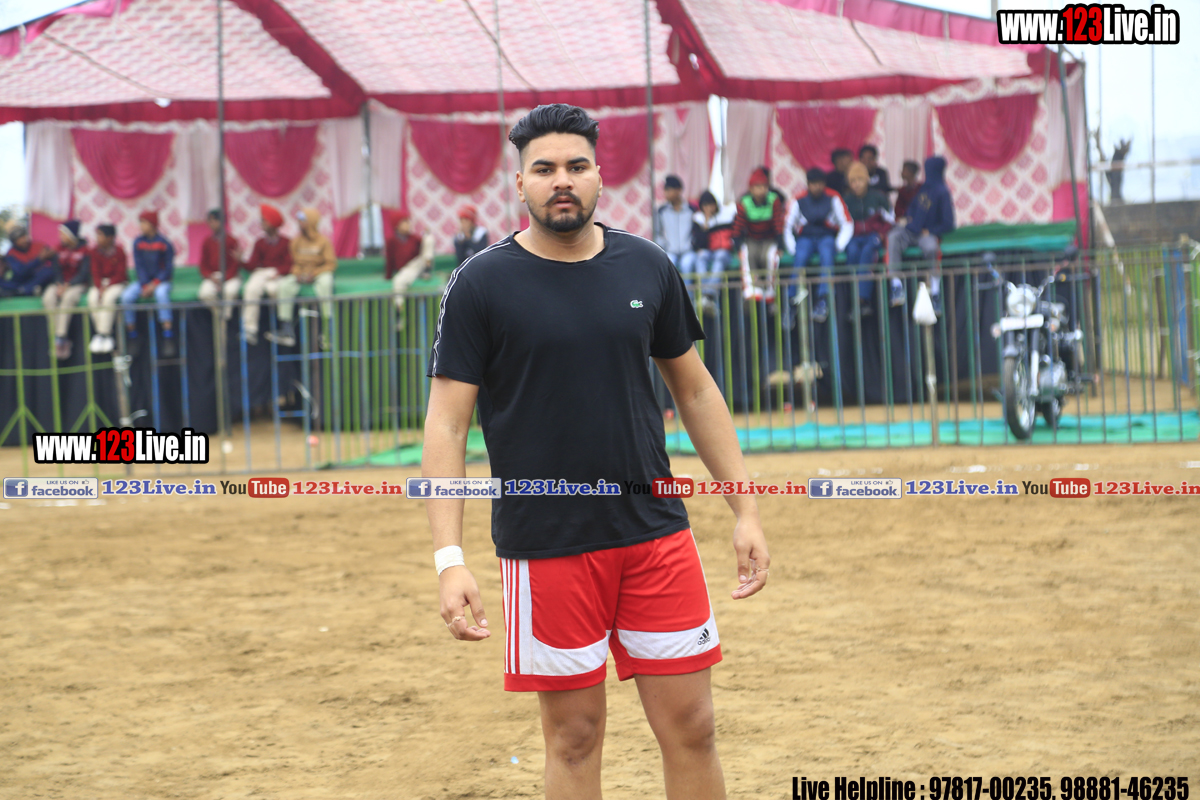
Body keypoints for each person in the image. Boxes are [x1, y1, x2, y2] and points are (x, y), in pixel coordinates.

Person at [423, 103, 769, 800]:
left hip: (655, 534)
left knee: (694, 727)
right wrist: (449, 558)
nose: (562, 180)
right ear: (520, 183)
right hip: (546, 544)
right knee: (574, 739)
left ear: (599, 177)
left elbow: (696, 392)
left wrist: (747, 511)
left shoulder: (647, 265)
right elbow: (448, 426)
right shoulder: (481, 283)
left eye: (576, 166)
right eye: (544, 168)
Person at [783, 168, 852, 324]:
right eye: (813, 184)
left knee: (827, 255)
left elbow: (847, 223)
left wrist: (839, 245)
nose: (817, 187)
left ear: (824, 184)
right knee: (800, 258)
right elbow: (787, 226)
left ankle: (823, 300)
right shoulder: (798, 199)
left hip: (826, 237)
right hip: (805, 238)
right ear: (808, 184)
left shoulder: (833, 197)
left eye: (820, 183)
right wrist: (792, 248)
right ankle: (791, 302)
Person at [887, 155, 955, 307]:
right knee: (893, 237)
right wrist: (907, 219)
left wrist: (930, 230)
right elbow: (913, 209)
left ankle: (935, 292)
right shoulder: (924, 188)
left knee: (931, 247)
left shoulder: (943, 192)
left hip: (927, 233)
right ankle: (896, 285)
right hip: (911, 229)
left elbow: (948, 224)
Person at [269, 207, 336, 349]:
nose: (299, 223)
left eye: (303, 220)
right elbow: (294, 263)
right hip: (302, 274)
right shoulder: (296, 241)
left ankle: (328, 331)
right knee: (284, 285)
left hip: (318, 273)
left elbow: (330, 264)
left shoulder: (323, 241)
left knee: (326, 283)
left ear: (311, 221)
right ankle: (287, 331)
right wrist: (298, 273)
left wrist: (315, 273)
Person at [842, 161, 900, 314]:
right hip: (854, 238)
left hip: (874, 236)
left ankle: (863, 299)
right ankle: (853, 299)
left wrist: (881, 234)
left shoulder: (878, 197)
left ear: (867, 180)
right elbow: (841, 223)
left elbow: (890, 220)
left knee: (868, 252)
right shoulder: (846, 200)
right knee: (852, 252)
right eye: (853, 181)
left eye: (860, 180)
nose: (857, 184)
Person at [121, 210, 176, 358]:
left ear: (152, 224)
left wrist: (154, 284)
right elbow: (139, 266)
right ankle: (132, 335)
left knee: (161, 294)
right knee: (126, 296)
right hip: (144, 282)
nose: (141, 226)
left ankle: (168, 335)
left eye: (143, 222)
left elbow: (168, 269)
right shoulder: (138, 242)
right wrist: (145, 284)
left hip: (161, 281)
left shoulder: (164, 243)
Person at [241, 204, 292, 346]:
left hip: (277, 274)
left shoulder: (286, 242)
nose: (262, 223)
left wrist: (278, 272)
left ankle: (283, 329)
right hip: (262, 273)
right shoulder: (260, 243)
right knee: (251, 289)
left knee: (274, 290)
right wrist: (241, 261)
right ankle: (250, 329)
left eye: (264, 220)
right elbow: (252, 265)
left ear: (272, 223)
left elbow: (289, 264)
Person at [732, 167, 786, 301]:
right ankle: (753, 290)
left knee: (768, 257)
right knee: (749, 256)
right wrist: (738, 247)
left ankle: (769, 291)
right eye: (758, 187)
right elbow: (738, 226)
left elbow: (778, 224)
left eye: (764, 187)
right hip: (752, 239)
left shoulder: (774, 200)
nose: (762, 190)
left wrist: (780, 245)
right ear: (751, 189)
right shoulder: (744, 202)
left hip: (769, 239)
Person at [42, 220, 91, 359]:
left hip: (77, 284)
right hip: (60, 284)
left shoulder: (85, 250)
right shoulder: (58, 249)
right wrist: (59, 284)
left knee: (68, 298)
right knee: (48, 297)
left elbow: (84, 273)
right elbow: (56, 270)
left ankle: (61, 336)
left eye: (63, 234)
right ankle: (55, 336)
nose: (61, 237)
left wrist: (68, 285)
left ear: (71, 235)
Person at [384, 210, 434, 330]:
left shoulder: (414, 238)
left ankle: (427, 270)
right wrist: (388, 275)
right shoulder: (391, 241)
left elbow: (425, 247)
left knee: (429, 238)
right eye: (404, 222)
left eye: (408, 222)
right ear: (397, 225)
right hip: (406, 271)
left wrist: (427, 233)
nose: (408, 225)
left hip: (419, 265)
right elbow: (390, 260)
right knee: (398, 282)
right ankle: (399, 313)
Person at [691, 190, 736, 311]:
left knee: (719, 258)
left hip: (723, 250)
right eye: (705, 205)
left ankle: (708, 295)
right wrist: (706, 224)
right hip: (708, 250)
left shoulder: (726, 215)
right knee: (701, 257)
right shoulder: (698, 219)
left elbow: (735, 233)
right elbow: (699, 245)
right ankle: (705, 296)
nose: (709, 208)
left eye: (711, 204)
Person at [87, 224, 127, 355]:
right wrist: (100, 287)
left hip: (116, 283)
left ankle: (103, 334)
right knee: (93, 298)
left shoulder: (119, 251)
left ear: (110, 238)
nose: (98, 238)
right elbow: (95, 272)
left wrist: (108, 286)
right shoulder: (95, 251)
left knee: (109, 298)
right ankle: (102, 334)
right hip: (100, 283)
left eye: (101, 235)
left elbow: (121, 274)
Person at [197, 209, 243, 323]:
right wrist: (210, 276)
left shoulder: (231, 241)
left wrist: (224, 279)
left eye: (213, 221)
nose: (210, 224)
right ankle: (219, 314)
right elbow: (203, 265)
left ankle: (225, 319)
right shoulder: (207, 242)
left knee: (229, 291)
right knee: (204, 294)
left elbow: (235, 265)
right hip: (213, 276)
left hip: (230, 276)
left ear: (221, 222)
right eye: (209, 221)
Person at [655, 174, 697, 274]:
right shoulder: (662, 211)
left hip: (688, 251)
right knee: (670, 266)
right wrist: (664, 246)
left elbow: (697, 231)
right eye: (665, 191)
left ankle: (687, 286)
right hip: (670, 251)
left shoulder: (691, 210)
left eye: (669, 190)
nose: (666, 194)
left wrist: (693, 244)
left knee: (686, 264)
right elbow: (657, 233)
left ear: (678, 190)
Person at [0, 226, 55, 298]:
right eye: (19, 239)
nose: (23, 240)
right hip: (20, 281)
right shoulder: (11, 254)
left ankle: (22, 291)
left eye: (24, 237)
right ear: (14, 242)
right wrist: (38, 260)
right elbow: (21, 271)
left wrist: (51, 253)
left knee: (48, 271)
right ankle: (21, 290)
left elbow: (53, 258)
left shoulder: (39, 246)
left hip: (36, 277)